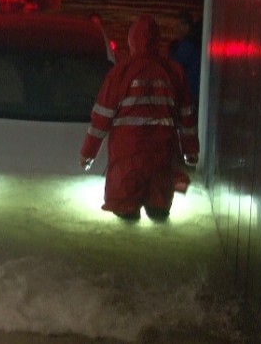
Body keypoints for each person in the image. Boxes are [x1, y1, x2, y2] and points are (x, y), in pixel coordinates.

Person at [79, 15, 200, 221]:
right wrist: (191, 152)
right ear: (157, 41)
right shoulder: (173, 71)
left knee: (125, 221)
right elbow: (187, 118)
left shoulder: (120, 72)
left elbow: (101, 119)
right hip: (162, 160)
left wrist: (87, 154)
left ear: (131, 40)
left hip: (127, 162)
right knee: (159, 217)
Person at [168, 10, 201, 110]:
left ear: (187, 26)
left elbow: (173, 66)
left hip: (189, 96)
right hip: (193, 94)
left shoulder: (188, 46)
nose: (175, 30)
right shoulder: (193, 43)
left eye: (178, 26)